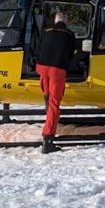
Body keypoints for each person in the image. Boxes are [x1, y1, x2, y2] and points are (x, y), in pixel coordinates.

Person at [36, 12, 76, 154]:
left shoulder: (46, 30)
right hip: (56, 69)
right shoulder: (70, 34)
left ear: (55, 20)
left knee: (47, 91)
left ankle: (46, 99)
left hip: (41, 67)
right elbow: (71, 54)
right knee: (55, 102)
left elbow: (39, 46)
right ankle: (48, 138)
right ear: (66, 21)